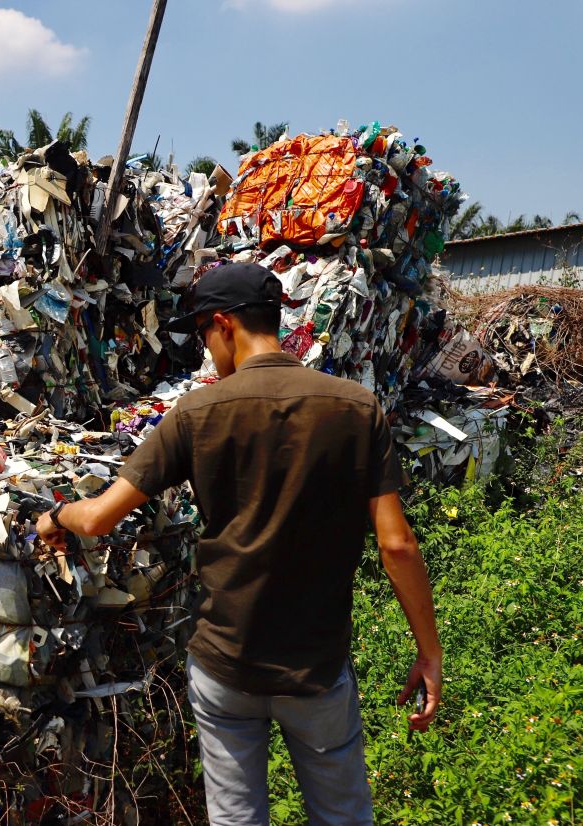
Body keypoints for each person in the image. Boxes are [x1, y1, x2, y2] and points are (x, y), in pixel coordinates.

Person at [36, 262, 441, 825]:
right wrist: (429, 652)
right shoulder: (355, 407)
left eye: (203, 333)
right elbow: (397, 545)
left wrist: (57, 514)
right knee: (343, 814)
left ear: (223, 323)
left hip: (226, 663)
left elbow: (101, 517)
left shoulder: (198, 412)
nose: (206, 350)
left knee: (236, 817)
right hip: (315, 669)